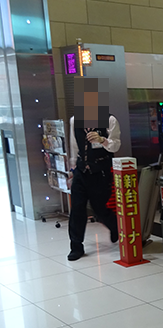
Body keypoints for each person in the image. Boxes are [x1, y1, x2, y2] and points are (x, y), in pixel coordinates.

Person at [67, 77, 120, 261]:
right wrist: (72, 168)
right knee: (77, 209)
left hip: (101, 172)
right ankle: (76, 246)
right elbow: (74, 146)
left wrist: (103, 140)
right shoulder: (75, 121)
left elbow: (116, 145)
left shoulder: (110, 120)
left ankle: (115, 226)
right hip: (81, 171)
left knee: (99, 208)